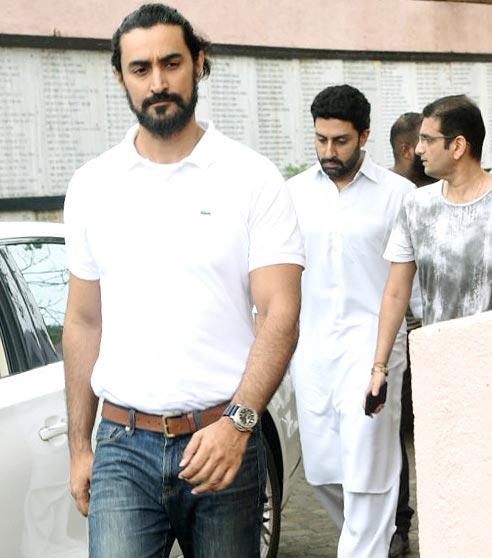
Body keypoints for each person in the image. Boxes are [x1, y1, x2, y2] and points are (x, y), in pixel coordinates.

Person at [62, 4, 304, 558]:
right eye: (140, 69)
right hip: (122, 446)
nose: (158, 82)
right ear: (121, 77)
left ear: (199, 62)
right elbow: (82, 320)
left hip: (224, 439)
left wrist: (240, 424)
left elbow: (281, 313)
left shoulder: (252, 178)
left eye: (171, 63)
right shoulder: (93, 185)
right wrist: (79, 448)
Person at [287, 84, 414, 557]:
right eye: (320, 140)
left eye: (340, 141)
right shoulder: (293, 194)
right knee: (322, 471)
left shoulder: (398, 195)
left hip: (373, 348)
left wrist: (383, 361)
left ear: (364, 135)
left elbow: (404, 286)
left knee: (369, 466)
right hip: (312, 350)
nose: (328, 151)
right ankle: (369, 543)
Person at [368, 94, 492, 538]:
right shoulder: (417, 207)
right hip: (439, 372)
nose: (417, 149)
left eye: (427, 139)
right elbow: (397, 289)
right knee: (447, 487)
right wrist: (379, 366)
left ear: (458, 146)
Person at [388, 111, 435, 558]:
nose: (425, 151)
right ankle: (400, 525)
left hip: (436, 331)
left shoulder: (443, 190)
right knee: (398, 435)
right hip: (403, 331)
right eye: (419, 143)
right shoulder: (393, 198)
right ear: (407, 149)